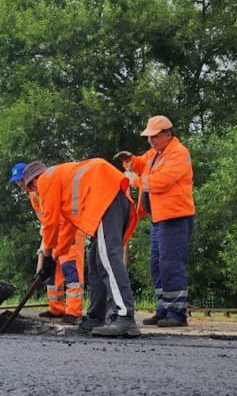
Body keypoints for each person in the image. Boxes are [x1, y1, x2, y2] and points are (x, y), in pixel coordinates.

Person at [21, 158, 140, 337]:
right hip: (110, 197)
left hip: (105, 197)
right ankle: (95, 317)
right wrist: (55, 255)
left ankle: (125, 317)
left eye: (31, 188)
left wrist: (46, 255)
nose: (34, 192)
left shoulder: (46, 179)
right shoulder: (61, 182)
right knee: (95, 261)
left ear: (34, 180)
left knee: (108, 257)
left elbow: (50, 223)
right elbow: (69, 226)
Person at [115, 115, 195, 327]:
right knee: (158, 265)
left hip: (175, 217)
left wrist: (135, 180)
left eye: (155, 136)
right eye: (149, 136)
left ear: (168, 134)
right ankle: (163, 310)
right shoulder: (157, 153)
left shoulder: (178, 153)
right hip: (160, 218)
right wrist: (130, 160)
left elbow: (161, 182)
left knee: (171, 265)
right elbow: (141, 163)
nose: (151, 140)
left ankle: (177, 314)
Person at [10, 162, 85, 324]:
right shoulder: (32, 196)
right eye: (17, 182)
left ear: (30, 178)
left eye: (21, 180)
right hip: (53, 232)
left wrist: (49, 241)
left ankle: (74, 311)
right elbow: (45, 221)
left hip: (69, 228)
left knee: (69, 268)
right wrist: (45, 245)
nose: (20, 185)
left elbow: (58, 214)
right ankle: (56, 308)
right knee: (52, 271)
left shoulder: (46, 185)